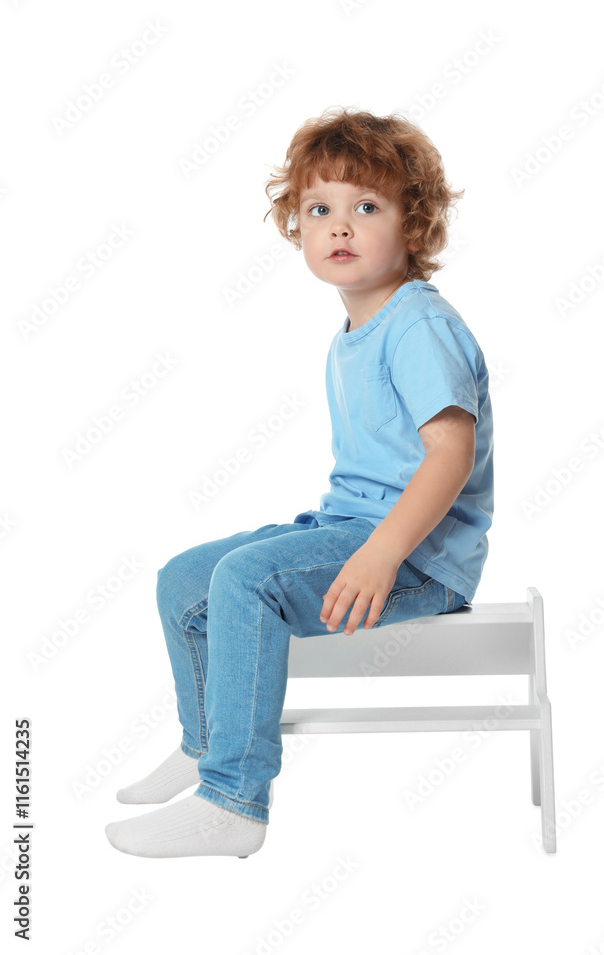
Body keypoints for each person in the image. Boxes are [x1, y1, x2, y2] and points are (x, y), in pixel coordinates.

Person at [105, 106, 494, 859]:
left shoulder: (417, 325)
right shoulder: (354, 331)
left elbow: (450, 454)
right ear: (298, 230)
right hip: (348, 528)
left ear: (413, 227)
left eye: (367, 207)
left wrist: (380, 555)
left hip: (417, 560)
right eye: (321, 210)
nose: (340, 227)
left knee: (246, 581)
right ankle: (209, 741)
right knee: (185, 580)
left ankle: (234, 799)